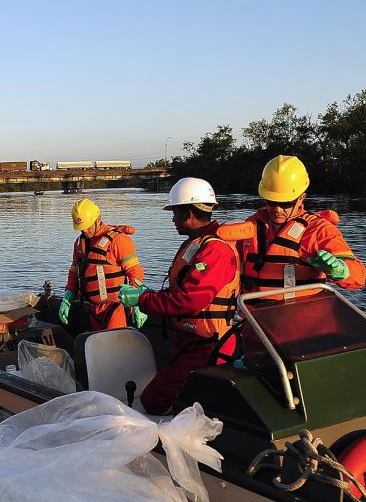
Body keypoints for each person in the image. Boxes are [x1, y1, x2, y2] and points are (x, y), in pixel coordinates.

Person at [118, 178, 239, 415]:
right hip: (190, 340)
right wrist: (148, 295)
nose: (173, 219)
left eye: (175, 213)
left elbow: (190, 300)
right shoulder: (199, 244)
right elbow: (182, 292)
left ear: (188, 213)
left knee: (154, 401)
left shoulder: (215, 250)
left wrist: (143, 300)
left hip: (207, 345)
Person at [217, 155, 365, 300]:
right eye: (271, 202)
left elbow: (359, 276)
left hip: (298, 313)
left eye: (285, 203)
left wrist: (340, 270)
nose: (277, 210)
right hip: (251, 313)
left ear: (301, 198)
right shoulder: (251, 225)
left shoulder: (318, 230)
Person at [59, 198, 146, 332]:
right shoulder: (79, 244)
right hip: (92, 309)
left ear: (98, 219)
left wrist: (138, 303)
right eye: (81, 228)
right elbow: (74, 272)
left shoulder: (118, 240)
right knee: (94, 343)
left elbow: (135, 273)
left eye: (88, 226)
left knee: (113, 342)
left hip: (115, 308)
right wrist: (68, 296)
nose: (85, 231)